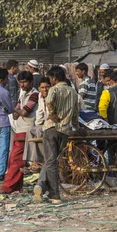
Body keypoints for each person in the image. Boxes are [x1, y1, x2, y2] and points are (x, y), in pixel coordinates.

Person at [34, 66, 80, 204]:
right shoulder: (73, 92)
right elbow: (75, 113)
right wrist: (77, 127)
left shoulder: (53, 90)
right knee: (51, 161)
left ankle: (54, 194)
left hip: (51, 129)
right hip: (64, 131)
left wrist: (52, 111)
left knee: (51, 162)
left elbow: (48, 100)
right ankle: (40, 186)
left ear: (54, 78)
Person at [0, 71, 39, 193]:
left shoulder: (34, 94)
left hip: (27, 129)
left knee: (16, 159)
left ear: (31, 82)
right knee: (15, 159)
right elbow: (17, 113)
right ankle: (16, 186)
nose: (22, 85)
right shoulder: (22, 94)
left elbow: (24, 112)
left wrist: (16, 110)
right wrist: (17, 111)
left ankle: (8, 187)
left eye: (25, 82)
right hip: (20, 128)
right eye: (20, 82)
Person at [23, 77, 50, 165]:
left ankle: (40, 160)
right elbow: (40, 113)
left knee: (38, 131)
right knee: (30, 130)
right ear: (39, 89)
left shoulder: (52, 96)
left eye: (47, 87)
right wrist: (38, 123)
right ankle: (31, 160)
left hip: (52, 124)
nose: (45, 89)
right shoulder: (40, 97)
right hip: (45, 123)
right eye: (42, 88)